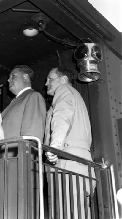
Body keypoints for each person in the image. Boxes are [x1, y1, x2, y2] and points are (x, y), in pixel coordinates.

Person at [44, 67, 95, 219]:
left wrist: (54, 147)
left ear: (64, 79)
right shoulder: (76, 96)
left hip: (67, 161)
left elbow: (62, 116)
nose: (46, 83)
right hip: (76, 163)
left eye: (50, 79)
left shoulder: (64, 90)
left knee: (66, 212)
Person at [0, 65, 46, 159]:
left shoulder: (33, 96)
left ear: (26, 77)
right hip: (1, 163)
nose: (8, 80)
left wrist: (26, 164)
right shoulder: (15, 102)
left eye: (13, 76)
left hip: (15, 164)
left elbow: (32, 136)